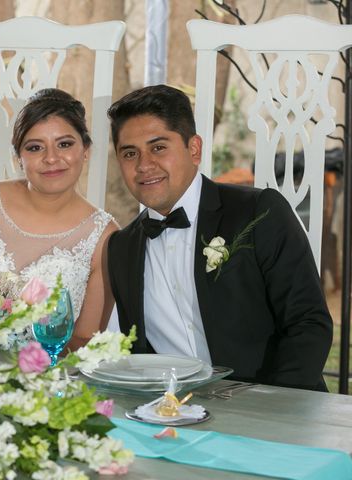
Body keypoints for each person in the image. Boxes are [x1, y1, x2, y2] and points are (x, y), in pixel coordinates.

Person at [106, 85, 332, 391]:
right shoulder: (122, 248)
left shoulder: (258, 211)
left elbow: (308, 323)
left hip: (271, 411)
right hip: (173, 419)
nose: (144, 165)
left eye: (159, 147)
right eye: (130, 153)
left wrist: (272, 411)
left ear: (194, 149)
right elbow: (136, 353)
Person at [0, 88, 118, 350]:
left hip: (44, 379)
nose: (52, 158)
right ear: (18, 158)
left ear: (86, 150)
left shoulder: (104, 237)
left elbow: (84, 340)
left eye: (65, 144)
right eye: (35, 148)